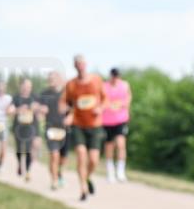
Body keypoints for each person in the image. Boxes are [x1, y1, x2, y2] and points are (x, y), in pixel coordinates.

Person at [61, 55, 107, 201]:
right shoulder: (71, 85)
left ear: (85, 64)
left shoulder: (96, 80)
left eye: (82, 63)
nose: (80, 66)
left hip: (95, 125)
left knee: (93, 160)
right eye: (77, 64)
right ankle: (83, 188)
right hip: (78, 124)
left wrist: (100, 108)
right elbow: (64, 103)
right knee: (81, 154)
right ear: (74, 66)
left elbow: (105, 99)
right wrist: (67, 115)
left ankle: (87, 177)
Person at [38, 71, 68, 190]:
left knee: (63, 157)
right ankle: (54, 180)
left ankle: (59, 174)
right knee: (54, 155)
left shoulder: (66, 93)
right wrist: (41, 110)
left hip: (65, 129)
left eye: (53, 78)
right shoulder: (44, 94)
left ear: (59, 79)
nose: (51, 80)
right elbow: (40, 108)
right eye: (49, 79)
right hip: (51, 128)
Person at [102, 67, 132, 183]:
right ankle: (110, 172)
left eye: (117, 76)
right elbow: (102, 100)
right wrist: (108, 105)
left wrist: (122, 104)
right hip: (107, 120)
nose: (115, 78)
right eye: (113, 76)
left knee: (121, 144)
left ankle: (120, 171)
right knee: (109, 146)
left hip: (121, 119)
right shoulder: (104, 86)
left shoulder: (124, 85)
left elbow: (128, 98)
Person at [9, 78, 40, 182]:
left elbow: (41, 108)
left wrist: (36, 108)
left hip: (31, 127)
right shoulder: (16, 97)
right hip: (18, 127)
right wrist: (18, 110)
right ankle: (19, 164)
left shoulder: (34, 97)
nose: (27, 89)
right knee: (19, 149)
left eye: (29, 87)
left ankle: (27, 171)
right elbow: (10, 110)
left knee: (28, 149)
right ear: (21, 87)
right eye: (25, 87)